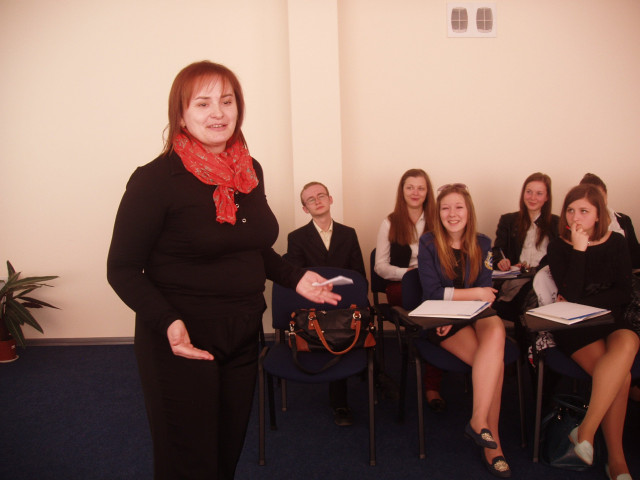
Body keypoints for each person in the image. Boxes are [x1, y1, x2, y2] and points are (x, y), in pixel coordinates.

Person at [106, 61, 340, 480]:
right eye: (203, 103)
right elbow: (122, 268)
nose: (218, 112)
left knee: (225, 452)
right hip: (182, 340)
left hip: (243, 333)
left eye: (227, 101)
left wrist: (294, 277)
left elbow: (250, 248)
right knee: (188, 462)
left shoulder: (249, 172)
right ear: (181, 115)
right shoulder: (155, 180)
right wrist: (168, 321)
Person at [418, 183, 511, 478]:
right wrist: (472, 297)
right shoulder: (428, 243)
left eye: (458, 207)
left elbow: (486, 293)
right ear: (438, 214)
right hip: (443, 319)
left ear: (468, 211)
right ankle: (493, 444)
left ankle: (478, 420)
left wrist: (470, 298)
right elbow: (432, 293)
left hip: (476, 314)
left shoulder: (483, 243)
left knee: (496, 330)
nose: (452, 213)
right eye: (445, 208)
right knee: (495, 365)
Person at [547, 184, 639, 480]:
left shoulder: (617, 243)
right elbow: (571, 293)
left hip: (610, 320)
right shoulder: (559, 246)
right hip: (574, 326)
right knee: (622, 378)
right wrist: (579, 249)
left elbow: (624, 292)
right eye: (570, 210)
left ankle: (585, 430)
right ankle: (617, 460)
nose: (575, 217)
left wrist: (585, 301)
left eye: (584, 211)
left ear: (599, 215)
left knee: (629, 340)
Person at [286, 181, 366, 426]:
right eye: (311, 199)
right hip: (313, 306)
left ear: (330, 199)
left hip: (344, 303)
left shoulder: (348, 233)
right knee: (335, 332)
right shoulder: (296, 238)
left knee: (348, 322)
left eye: (321, 195)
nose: (317, 200)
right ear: (305, 208)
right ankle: (339, 402)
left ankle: (366, 377)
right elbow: (297, 279)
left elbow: (359, 276)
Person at [374, 169, 446, 412]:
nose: (415, 192)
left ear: (427, 192)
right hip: (401, 285)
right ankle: (430, 362)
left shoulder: (438, 219)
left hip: (432, 286)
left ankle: (431, 384)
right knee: (435, 310)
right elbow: (380, 266)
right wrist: (409, 273)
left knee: (434, 305)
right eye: (410, 187)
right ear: (402, 191)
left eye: (421, 188)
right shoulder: (390, 222)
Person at [492, 172, 559, 324]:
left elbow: (560, 258)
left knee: (533, 291)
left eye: (539, 193)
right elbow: (496, 252)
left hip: (544, 278)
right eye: (529, 192)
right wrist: (501, 261)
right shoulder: (508, 220)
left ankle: (527, 328)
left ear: (547, 197)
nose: (532, 197)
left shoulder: (557, 223)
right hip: (516, 278)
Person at [579, 173, 640, 269]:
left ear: (606, 195)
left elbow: (636, 259)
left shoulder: (623, 220)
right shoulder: (578, 226)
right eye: (592, 200)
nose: (598, 204)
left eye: (601, 198)